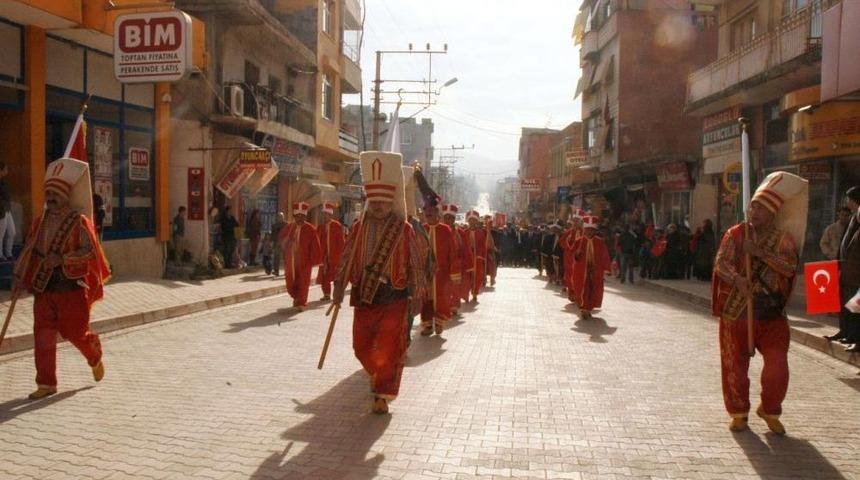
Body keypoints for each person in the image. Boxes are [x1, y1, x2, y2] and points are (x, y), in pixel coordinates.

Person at [712, 171, 807, 435]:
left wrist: (761, 253)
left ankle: (770, 408)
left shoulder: (782, 239)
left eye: (761, 208)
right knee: (734, 365)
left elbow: (788, 268)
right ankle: (738, 412)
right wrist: (737, 279)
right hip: (737, 311)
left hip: (771, 314)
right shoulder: (735, 234)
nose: (755, 212)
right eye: (753, 206)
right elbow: (721, 262)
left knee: (777, 367)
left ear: (773, 213)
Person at [332, 151, 426, 414]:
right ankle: (376, 374)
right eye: (374, 203)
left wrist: (418, 292)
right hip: (365, 295)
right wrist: (338, 286)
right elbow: (346, 258)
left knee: (389, 347)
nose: (378, 208)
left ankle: (382, 394)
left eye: (383, 204)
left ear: (391, 203)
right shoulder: (359, 228)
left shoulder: (404, 229)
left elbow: (416, 263)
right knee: (360, 346)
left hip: (394, 296)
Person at [13, 157, 111, 400]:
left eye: (55, 194)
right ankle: (46, 383)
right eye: (48, 193)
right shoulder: (40, 222)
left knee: (75, 333)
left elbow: (90, 252)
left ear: (65, 195)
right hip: (43, 288)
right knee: (43, 335)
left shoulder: (79, 222)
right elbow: (29, 249)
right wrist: (18, 275)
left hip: (71, 289)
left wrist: (63, 259)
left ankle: (94, 355)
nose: (50, 198)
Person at [828, 188, 860, 351]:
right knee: (844, 304)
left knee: (855, 308)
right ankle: (845, 332)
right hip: (846, 270)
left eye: (848, 199)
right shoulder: (853, 218)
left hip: (855, 274)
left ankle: (855, 337)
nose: (846, 202)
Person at [278, 202, 322, 311]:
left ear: (305, 216)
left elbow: (315, 245)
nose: (300, 218)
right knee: (290, 282)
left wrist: (315, 259)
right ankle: (296, 297)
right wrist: (285, 242)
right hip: (291, 260)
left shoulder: (311, 229)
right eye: (298, 216)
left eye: (302, 216)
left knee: (303, 281)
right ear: (294, 216)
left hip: (304, 260)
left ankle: (302, 302)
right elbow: (281, 240)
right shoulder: (289, 228)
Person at [570, 215, 611, 320]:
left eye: (591, 230)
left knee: (593, 290)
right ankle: (583, 308)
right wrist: (577, 254)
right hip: (581, 271)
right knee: (582, 289)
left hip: (595, 271)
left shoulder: (600, 242)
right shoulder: (579, 241)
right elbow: (572, 255)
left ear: (594, 231)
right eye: (587, 230)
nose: (589, 232)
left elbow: (604, 255)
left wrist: (606, 268)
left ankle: (588, 308)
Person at [442, 204, 471, 318]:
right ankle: (444, 306)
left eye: (451, 218)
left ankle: (454, 306)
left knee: (455, 287)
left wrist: (467, 265)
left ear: (454, 219)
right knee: (443, 287)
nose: (449, 220)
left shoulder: (460, 233)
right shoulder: (438, 230)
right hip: (442, 264)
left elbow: (465, 249)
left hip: (456, 265)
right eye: (447, 217)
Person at [316, 203, 345, 302]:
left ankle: (337, 295)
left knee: (336, 276)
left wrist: (342, 256)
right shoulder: (320, 227)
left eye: (326, 214)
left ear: (330, 215)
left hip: (335, 256)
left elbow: (341, 241)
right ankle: (326, 294)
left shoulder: (336, 225)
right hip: (324, 256)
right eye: (323, 214)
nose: (324, 216)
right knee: (324, 276)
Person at [464, 210, 488, 303]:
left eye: (474, 220)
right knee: (467, 276)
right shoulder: (464, 232)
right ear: (468, 221)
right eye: (470, 220)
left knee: (478, 276)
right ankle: (466, 293)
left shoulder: (480, 233)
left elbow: (483, 245)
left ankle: (475, 293)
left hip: (477, 257)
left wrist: (480, 255)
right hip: (467, 258)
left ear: (476, 221)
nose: (472, 222)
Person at [0, 161, 15, 261]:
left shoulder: (3, 181)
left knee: (12, 232)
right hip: (1, 210)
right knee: (0, 233)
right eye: (5, 169)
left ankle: (8, 253)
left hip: (7, 209)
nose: (7, 171)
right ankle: (0, 255)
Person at [270, 212, 287, 276]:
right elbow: (273, 235)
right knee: (276, 258)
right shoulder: (274, 225)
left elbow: (289, 234)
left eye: (281, 216)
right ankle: (276, 271)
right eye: (279, 216)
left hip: (285, 243)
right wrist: (271, 242)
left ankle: (287, 271)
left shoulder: (286, 225)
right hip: (277, 243)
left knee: (286, 258)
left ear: (283, 217)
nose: (280, 218)